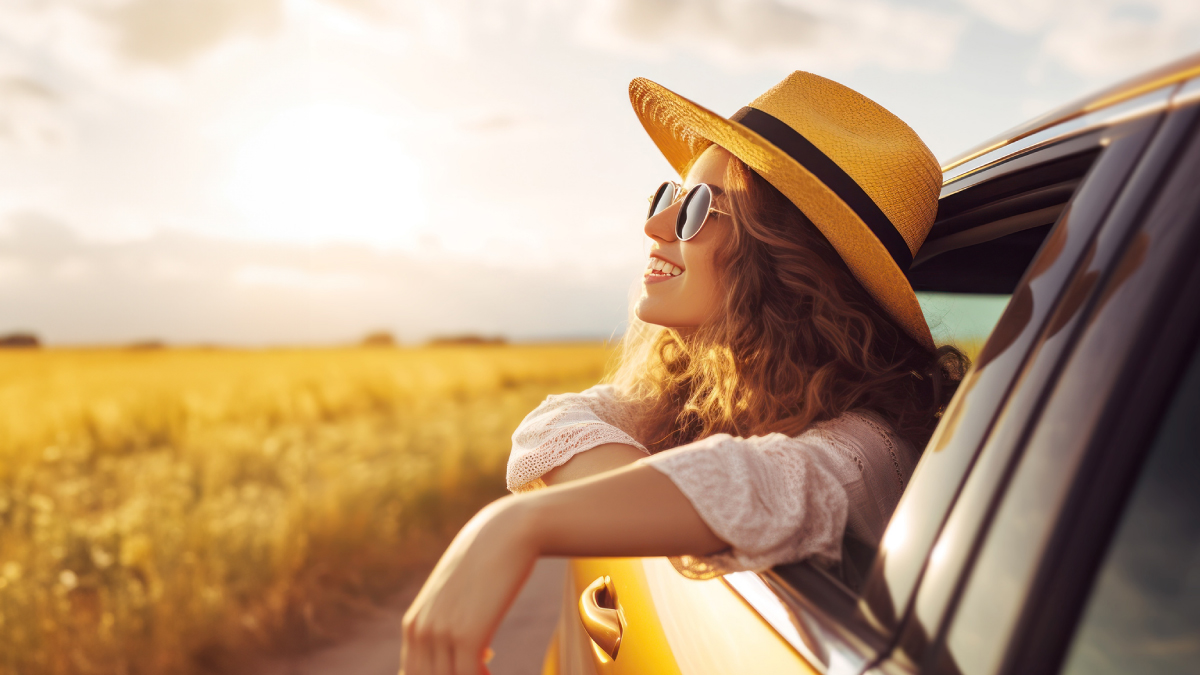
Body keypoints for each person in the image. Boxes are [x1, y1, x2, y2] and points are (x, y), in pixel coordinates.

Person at [400, 71, 966, 675]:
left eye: (695, 208)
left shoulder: (870, 449)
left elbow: (764, 484)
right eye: (667, 196)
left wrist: (522, 523)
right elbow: (554, 423)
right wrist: (644, 504)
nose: (655, 226)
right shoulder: (707, 395)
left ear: (781, 259)